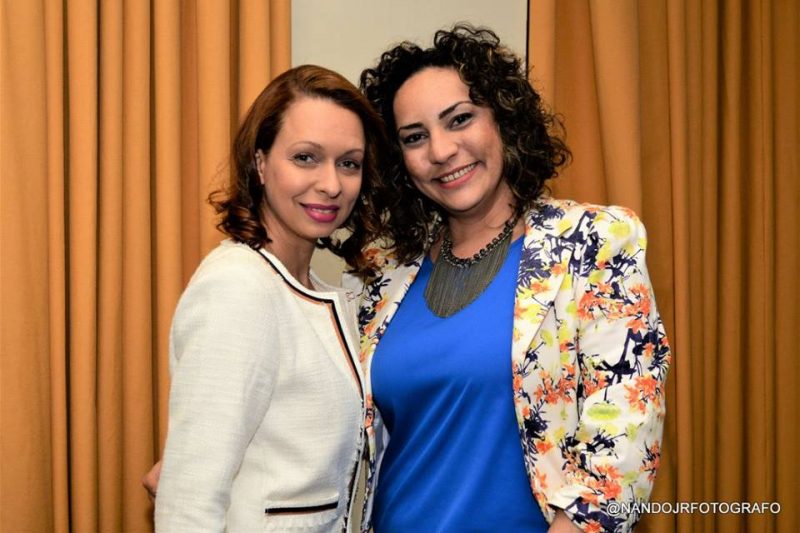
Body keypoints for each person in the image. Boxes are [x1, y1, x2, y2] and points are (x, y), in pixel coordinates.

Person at [347, 25, 671, 532]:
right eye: (414, 137)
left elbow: (625, 435)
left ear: (503, 119)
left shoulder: (593, 241)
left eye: (460, 119)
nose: (441, 150)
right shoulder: (383, 276)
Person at [153, 64, 386, 532]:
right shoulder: (238, 286)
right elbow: (189, 499)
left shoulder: (316, 292)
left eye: (349, 163)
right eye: (305, 157)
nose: (331, 184)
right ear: (260, 162)